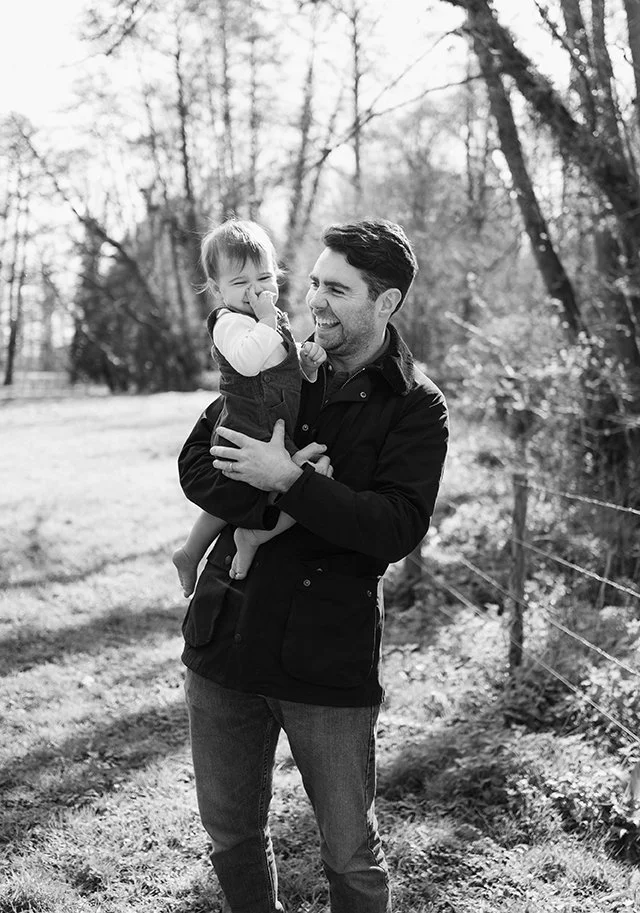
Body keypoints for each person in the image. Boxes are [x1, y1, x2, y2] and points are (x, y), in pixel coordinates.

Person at [178, 218, 449, 913]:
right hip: (226, 640)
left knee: (350, 855)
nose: (316, 301)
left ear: (384, 303)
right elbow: (197, 463)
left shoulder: (417, 407)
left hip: (324, 661)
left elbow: (392, 527)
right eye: (316, 284)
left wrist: (289, 481)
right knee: (231, 836)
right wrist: (263, 481)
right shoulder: (283, 363)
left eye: (337, 289)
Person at [172, 219, 328, 594]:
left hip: (274, 425)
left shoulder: (272, 321)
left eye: (264, 279)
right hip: (249, 428)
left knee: (275, 489)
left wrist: (305, 365)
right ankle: (251, 538)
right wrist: (265, 321)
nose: (255, 290)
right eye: (240, 283)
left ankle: (192, 552)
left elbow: (285, 374)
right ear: (217, 290)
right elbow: (246, 361)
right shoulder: (228, 324)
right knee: (314, 477)